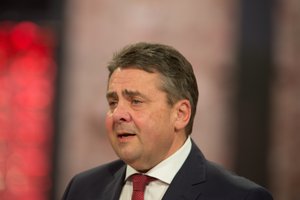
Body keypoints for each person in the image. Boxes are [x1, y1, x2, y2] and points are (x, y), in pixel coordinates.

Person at [62, 42, 273, 200]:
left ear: (181, 114)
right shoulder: (82, 189)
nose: (118, 114)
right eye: (113, 102)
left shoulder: (239, 197)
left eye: (135, 101)